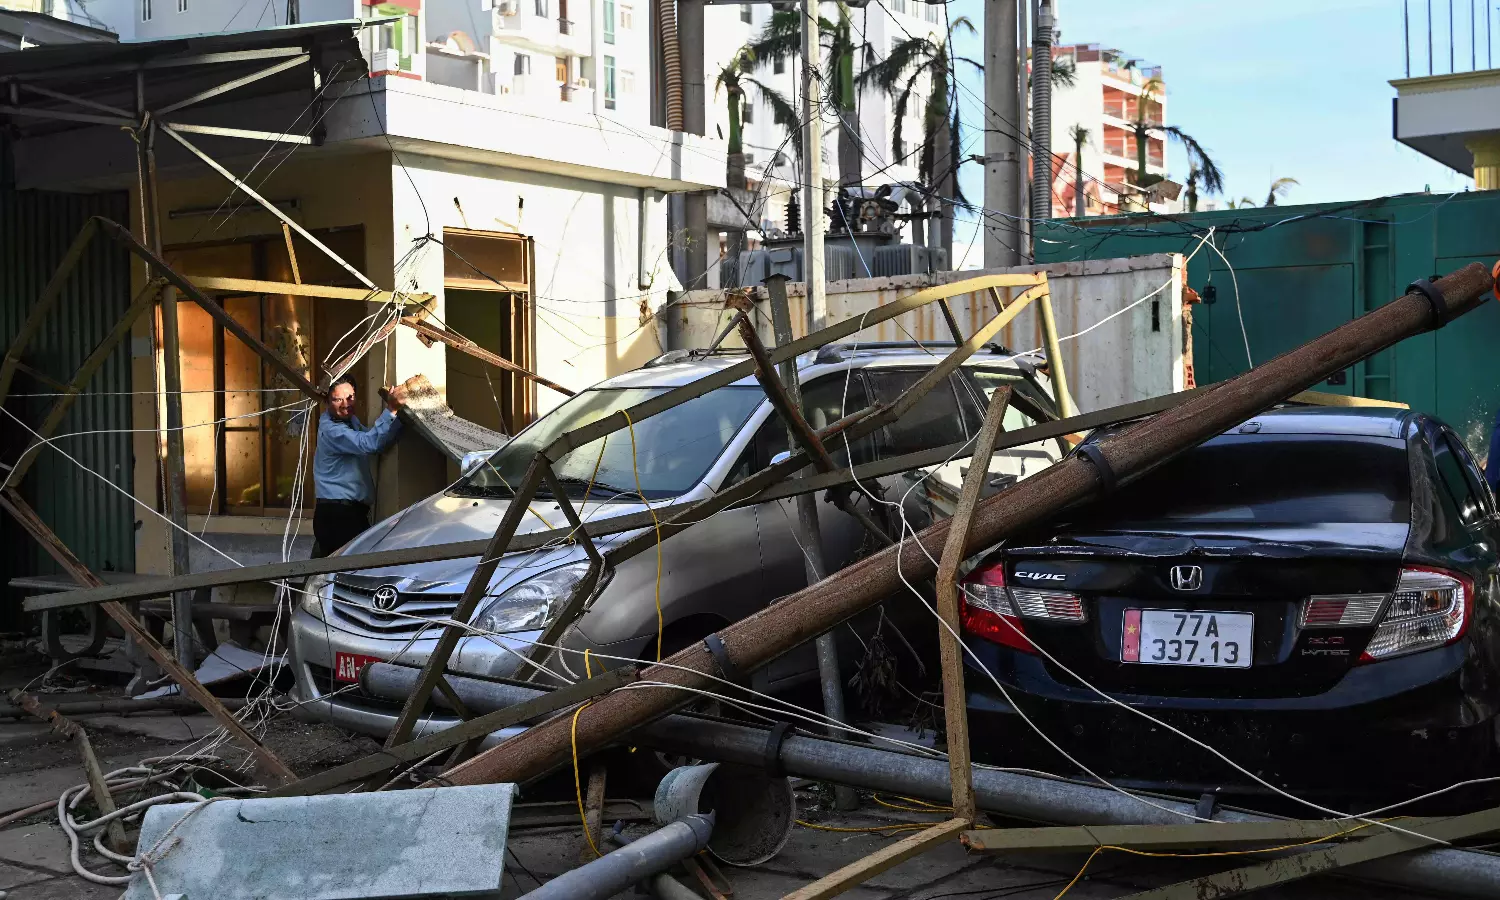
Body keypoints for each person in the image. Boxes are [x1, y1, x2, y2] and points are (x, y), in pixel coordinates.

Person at [312, 376, 404, 558]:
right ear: (327, 401)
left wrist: (401, 418)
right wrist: (391, 410)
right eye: (338, 399)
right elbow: (369, 443)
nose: (346, 404)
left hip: (348, 514)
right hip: (337, 516)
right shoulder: (332, 430)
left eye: (350, 397)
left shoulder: (349, 421)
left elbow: (378, 443)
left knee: (334, 576)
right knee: (345, 575)